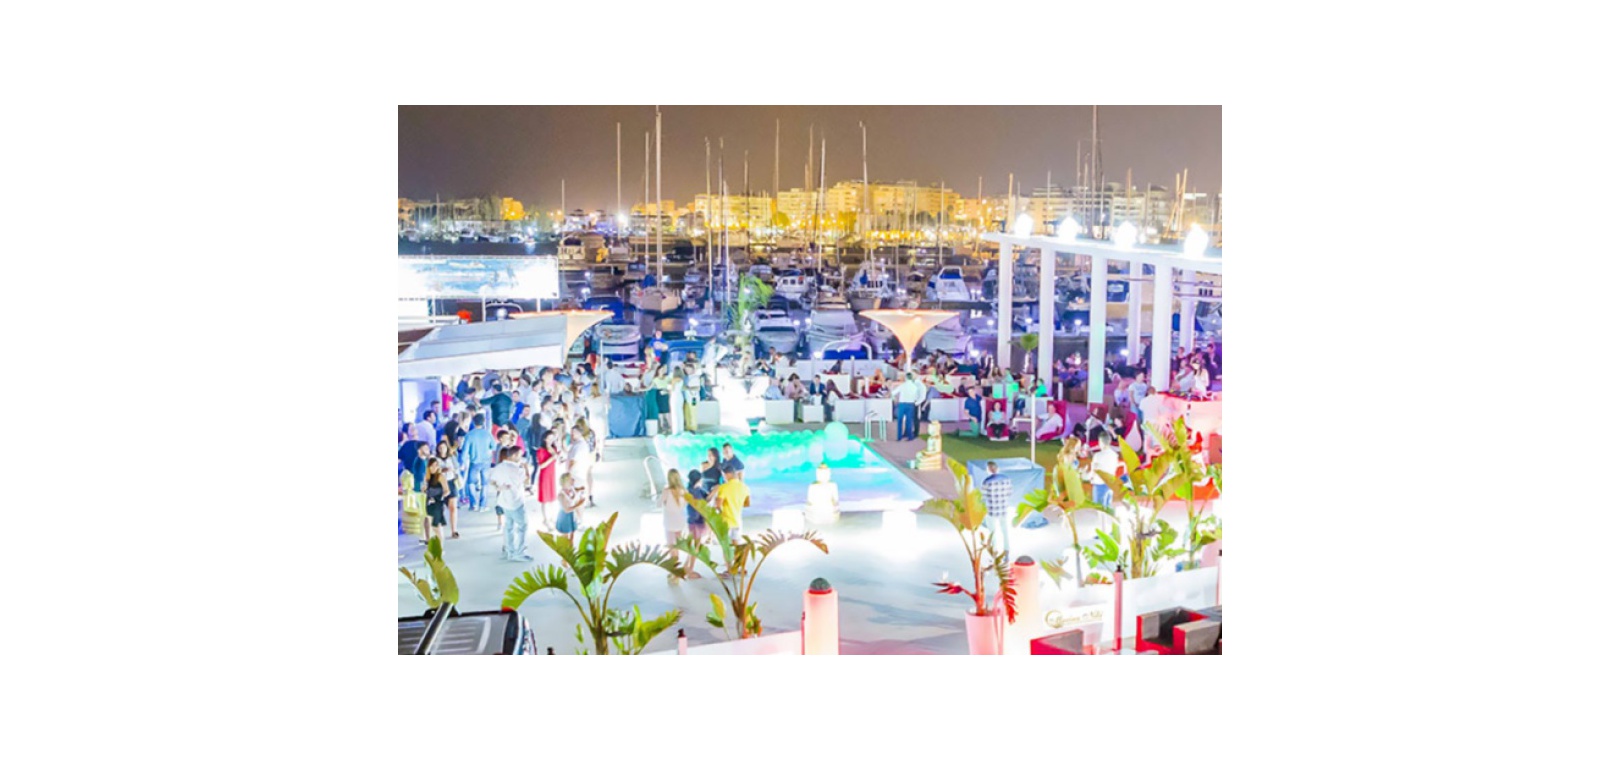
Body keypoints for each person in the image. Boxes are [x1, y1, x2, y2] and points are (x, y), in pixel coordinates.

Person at [488, 446, 532, 562]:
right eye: (519, 455)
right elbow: (528, 482)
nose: (521, 457)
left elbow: (492, 482)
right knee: (522, 526)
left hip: (504, 501)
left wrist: (500, 487)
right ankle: (520, 552)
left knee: (508, 526)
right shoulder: (518, 470)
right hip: (516, 501)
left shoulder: (499, 467)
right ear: (514, 455)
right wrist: (526, 468)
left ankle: (509, 550)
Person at [460, 414, 496, 512]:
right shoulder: (487, 434)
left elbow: (465, 451)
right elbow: (493, 446)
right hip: (486, 461)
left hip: (474, 461)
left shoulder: (469, 435)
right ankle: (482, 505)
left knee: (471, 482)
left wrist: (462, 462)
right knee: (485, 483)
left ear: (473, 422)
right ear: (483, 422)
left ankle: (473, 504)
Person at [710, 466, 752, 549]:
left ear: (728, 474)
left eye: (724, 475)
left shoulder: (724, 487)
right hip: (737, 521)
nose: (724, 477)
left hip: (726, 521)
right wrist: (736, 503)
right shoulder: (745, 487)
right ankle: (736, 557)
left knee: (725, 547)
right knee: (735, 544)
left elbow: (718, 505)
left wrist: (719, 512)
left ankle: (727, 558)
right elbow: (747, 504)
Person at [657, 469, 687, 575]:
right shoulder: (684, 491)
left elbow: (658, 504)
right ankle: (676, 566)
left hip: (669, 523)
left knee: (671, 546)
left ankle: (674, 569)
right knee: (677, 546)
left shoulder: (666, 491)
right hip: (680, 522)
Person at [981, 461, 1013, 555]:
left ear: (989, 469)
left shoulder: (987, 481)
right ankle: (1006, 549)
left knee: (992, 531)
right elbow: (1010, 493)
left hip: (991, 511)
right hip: (1003, 509)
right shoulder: (1006, 479)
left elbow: (983, 496)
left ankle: (994, 550)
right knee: (1005, 530)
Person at [433, 439, 461, 539]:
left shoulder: (452, 457)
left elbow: (458, 468)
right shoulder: (434, 459)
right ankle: (439, 531)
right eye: (440, 448)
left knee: (453, 507)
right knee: (440, 508)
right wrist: (442, 470)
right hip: (439, 484)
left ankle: (454, 530)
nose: (442, 450)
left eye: (444, 447)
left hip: (451, 482)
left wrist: (453, 470)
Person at [533, 427, 560, 528]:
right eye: (549, 438)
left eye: (552, 438)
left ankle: (552, 517)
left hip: (552, 475)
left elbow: (556, 459)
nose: (550, 440)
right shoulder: (540, 450)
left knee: (552, 498)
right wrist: (552, 458)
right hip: (544, 476)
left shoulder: (553, 448)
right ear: (544, 438)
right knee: (545, 500)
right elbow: (541, 465)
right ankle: (546, 519)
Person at [422, 458, 451, 544]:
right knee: (432, 525)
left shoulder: (440, 477)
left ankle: (440, 547)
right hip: (429, 503)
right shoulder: (427, 477)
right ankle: (436, 545)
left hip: (438, 503)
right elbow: (425, 489)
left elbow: (447, 490)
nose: (434, 468)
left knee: (436, 526)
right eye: (432, 466)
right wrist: (424, 490)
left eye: (436, 465)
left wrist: (441, 496)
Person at [568, 417, 595, 507]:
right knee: (588, 476)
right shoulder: (591, 432)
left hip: (581, 458)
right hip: (590, 455)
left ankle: (581, 499)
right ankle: (590, 495)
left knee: (579, 479)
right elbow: (594, 444)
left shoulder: (578, 438)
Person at [894, 371, 926, 441]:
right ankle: (907, 434)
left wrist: (916, 403)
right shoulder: (912, 384)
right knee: (909, 419)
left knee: (913, 419)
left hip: (913, 403)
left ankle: (914, 433)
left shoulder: (919, 385)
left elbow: (922, 396)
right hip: (910, 403)